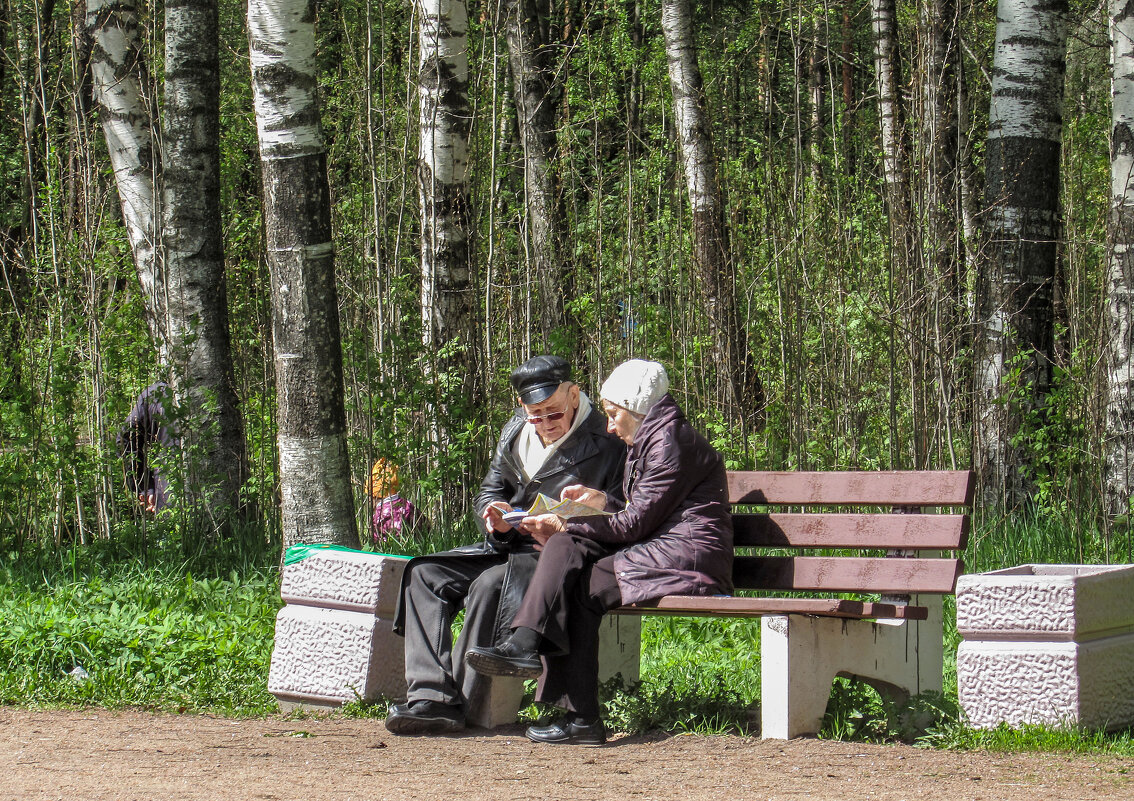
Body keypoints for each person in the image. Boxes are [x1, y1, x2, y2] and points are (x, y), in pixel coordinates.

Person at [465, 359, 734, 745]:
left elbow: (634, 524)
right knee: (573, 578)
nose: (608, 425)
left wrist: (568, 522)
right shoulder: (652, 437)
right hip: (662, 550)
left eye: (612, 414)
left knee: (570, 552)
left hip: (688, 557)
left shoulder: (669, 442)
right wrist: (599, 501)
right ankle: (577, 715)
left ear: (636, 407)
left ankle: (535, 656)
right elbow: (634, 508)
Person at [386, 355, 626, 735]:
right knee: (423, 573)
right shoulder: (515, 430)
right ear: (521, 407)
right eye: (536, 414)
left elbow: (621, 513)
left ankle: (465, 701)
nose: (545, 423)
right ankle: (431, 697)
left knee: (489, 584)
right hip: (506, 546)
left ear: (575, 396)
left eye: (554, 413)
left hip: (554, 556)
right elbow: (491, 489)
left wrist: (564, 522)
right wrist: (493, 513)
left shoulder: (608, 440)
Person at [117, 382, 177, 513]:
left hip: (168, 486)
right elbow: (126, 439)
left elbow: (125, 439)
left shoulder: (156, 394)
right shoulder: (155, 394)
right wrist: (145, 484)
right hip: (169, 487)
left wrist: (144, 485)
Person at [367, 459, 425, 544]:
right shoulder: (408, 505)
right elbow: (425, 526)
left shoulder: (379, 516)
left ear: (374, 496)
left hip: (389, 555)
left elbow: (375, 542)